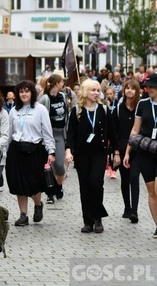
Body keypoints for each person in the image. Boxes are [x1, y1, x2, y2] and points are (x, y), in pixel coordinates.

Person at [65, 79, 120, 234]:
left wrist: (116, 152)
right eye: (93, 90)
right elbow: (70, 135)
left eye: (97, 90)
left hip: (99, 153)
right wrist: (69, 151)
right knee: (85, 187)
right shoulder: (77, 110)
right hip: (82, 154)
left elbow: (113, 134)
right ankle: (87, 221)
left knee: (96, 184)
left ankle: (98, 217)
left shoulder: (103, 109)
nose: (96, 93)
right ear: (85, 92)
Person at [6, 80, 55, 227]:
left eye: (27, 91)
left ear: (32, 93)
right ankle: (23, 215)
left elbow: (47, 131)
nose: (24, 94)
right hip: (17, 149)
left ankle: (38, 204)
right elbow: (9, 132)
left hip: (35, 150)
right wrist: (6, 152)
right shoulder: (14, 111)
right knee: (19, 183)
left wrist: (51, 151)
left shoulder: (40, 110)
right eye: (21, 91)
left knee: (33, 183)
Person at [124, 73, 157, 238]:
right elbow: (135, 130)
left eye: (152, 86)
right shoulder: (143, 104)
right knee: (151, 191)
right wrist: (127, 151)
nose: (148, 89)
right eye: (148, 86)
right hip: (146, 151)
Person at [113, 79, 141, 223]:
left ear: (137, 91)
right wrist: (116, 152)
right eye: (127, 88)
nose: (129, 90)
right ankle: (127, 207)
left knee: (134, 178)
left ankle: (135, 210)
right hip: (122, 148)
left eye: (132, 88)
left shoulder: (140, 108)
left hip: (137, 149)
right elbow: (114, 131)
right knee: (125, 179)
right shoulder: (118, 108)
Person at [39, 74, 68, 204]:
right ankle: (50, 193)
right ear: (56, 83)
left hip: (60, 134)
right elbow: (39, 115)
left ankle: (59, 185)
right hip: (47, 135)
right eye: (62, 82)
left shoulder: (63, 96)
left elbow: (67, 113)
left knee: (59, 165)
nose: (63, 84)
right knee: (47, 166)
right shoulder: (44, 98)